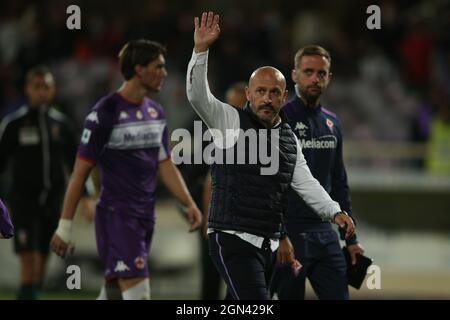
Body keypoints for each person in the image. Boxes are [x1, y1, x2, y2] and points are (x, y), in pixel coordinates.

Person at [186, 11, 355, 300]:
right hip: (232, 238)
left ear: (284, 95)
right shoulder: (229, 121)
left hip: (269, 245)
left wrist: (335, 211)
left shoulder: (288, 139)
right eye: (260, 91)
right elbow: (197, 96)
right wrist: (200, 51)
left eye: (274, 92)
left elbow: (306, 183)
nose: (267, 98)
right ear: (249, 95)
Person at [50, 39, 202, 300]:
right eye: (158, 67)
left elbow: (165, 165)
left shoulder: (156, 113)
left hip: (145, 216)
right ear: (139, 70)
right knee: (138, 294)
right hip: (117, 217)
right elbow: (79, 173)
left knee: (113, 294)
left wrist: (188, 202)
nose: (164, 73)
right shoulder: (104, 114)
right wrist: (64, 226)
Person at [271, 45, 365, 300]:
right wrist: (278, 234)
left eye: (321, 73)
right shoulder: (279, 119)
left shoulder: (332, 123)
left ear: (329, 77)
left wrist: (351, 240)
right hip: (290, 232)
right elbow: (268, 183)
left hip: (325, 233)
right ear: (294, 75)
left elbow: (339, 182)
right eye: (308, 71)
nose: (315, 78)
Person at [0, 66, 82, 300]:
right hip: (23, 202)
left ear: (53, 90)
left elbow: (77, 164)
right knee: (29, 260)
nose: (42, 92)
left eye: (46, 87)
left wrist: (86, 196)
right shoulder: (14, 124)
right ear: (28, 90)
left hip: (53, 202)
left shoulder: (61, 125)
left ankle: (31, 294)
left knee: (41, 265)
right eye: (37, 87)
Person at [198, 81, 247, 299]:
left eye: (240, 107)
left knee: (240, 284)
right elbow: (207, 180)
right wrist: (206, 219)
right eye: (231, 106)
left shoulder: (263, 136)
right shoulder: (212, 136)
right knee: (211, 278)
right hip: (217, 218)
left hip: (248, 223)